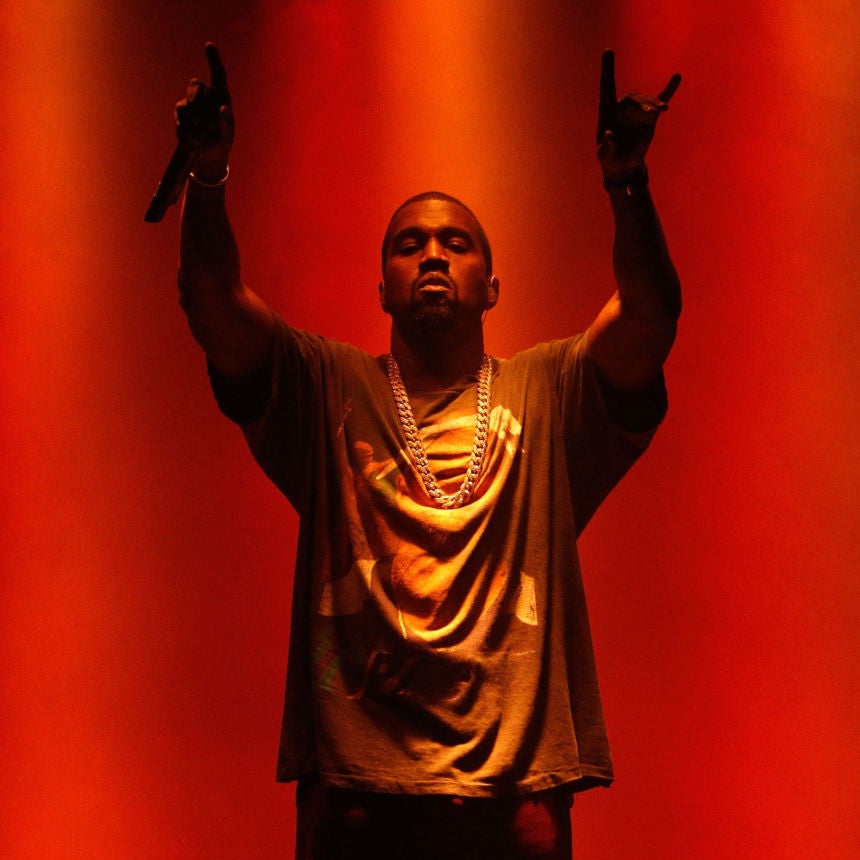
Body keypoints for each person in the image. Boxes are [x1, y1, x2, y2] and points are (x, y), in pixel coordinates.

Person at [172, 43, 681, 860]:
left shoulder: (548, 389)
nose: (434, 254)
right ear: (382, 287)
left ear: (492, 286)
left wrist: (628, 187)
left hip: (512, 795)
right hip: (361, 794)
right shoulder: (328, 384)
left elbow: (650, 318)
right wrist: (207, 177)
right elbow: (214, 304)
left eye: (455, 243)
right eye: (409, 245)